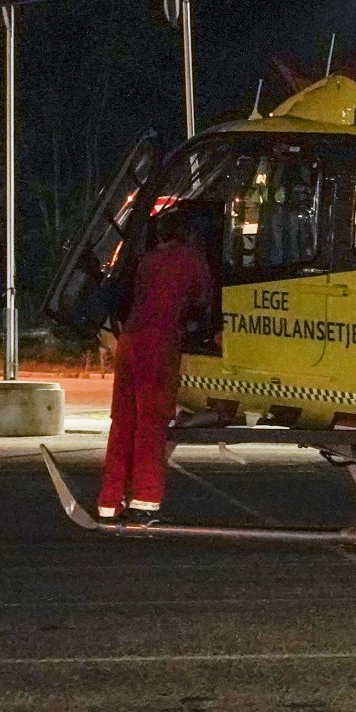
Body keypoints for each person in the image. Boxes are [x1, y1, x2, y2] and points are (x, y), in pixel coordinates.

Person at [98, 201, 218, 522]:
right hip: (159, 344)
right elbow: (203, 303)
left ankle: (109, 501)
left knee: (123, 421)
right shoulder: (193, 260)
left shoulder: (147, 260)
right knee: (152, 424)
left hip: (129, 341)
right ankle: (145, 500)